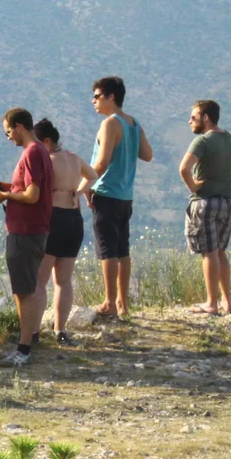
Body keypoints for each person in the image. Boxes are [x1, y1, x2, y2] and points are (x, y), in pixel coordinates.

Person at [79, 75, 153, 321]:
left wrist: (81, 187)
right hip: (125, 195)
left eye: (97, 96)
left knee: (107, 250)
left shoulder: (110, 124)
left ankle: (109, 302)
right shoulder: (133, 123)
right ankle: (122, 303)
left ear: (111, 97)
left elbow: (100, 163)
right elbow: (147, 154)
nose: (93, 101)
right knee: (122, 249)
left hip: (107, 192)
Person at [179, 99, 231, 315]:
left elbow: (184, 168)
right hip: (227, 201)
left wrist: (194, 186)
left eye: (193, 117)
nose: (190, 121)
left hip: (205, 202)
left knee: (209, 253)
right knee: (221, 252)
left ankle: (211, 304)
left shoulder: (202, 142)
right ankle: (227, 302)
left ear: (206, 118)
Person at [0, 108, 54, 367]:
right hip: (32, 229)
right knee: (25, 287)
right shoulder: (41, 152)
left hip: (25, 231)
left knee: (24, 290)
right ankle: (27, 339)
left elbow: (32, 195)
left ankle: (24, 349)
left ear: (18, 126)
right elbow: (26, 188)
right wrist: (6, 187)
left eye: (8, 132)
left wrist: (4, 197)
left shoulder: (32, 153)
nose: (8, 138)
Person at [34, 119, 91, 345]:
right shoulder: (74, 158)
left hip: (53, 217)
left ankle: (34, 330)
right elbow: (93, 174)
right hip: (74, 218)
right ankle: (61, 329)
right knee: (64, 281)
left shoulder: (47, 160)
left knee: (40, 280)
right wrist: (78, 192)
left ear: (46, 141)